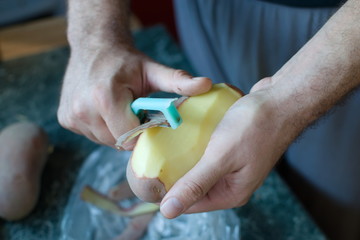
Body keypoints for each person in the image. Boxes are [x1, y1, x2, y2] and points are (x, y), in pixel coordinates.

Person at [57, 0, 360, 239]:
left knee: (327, 208)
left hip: (341, 29)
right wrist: (95, 38)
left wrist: (289, 104)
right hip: (208, 10)